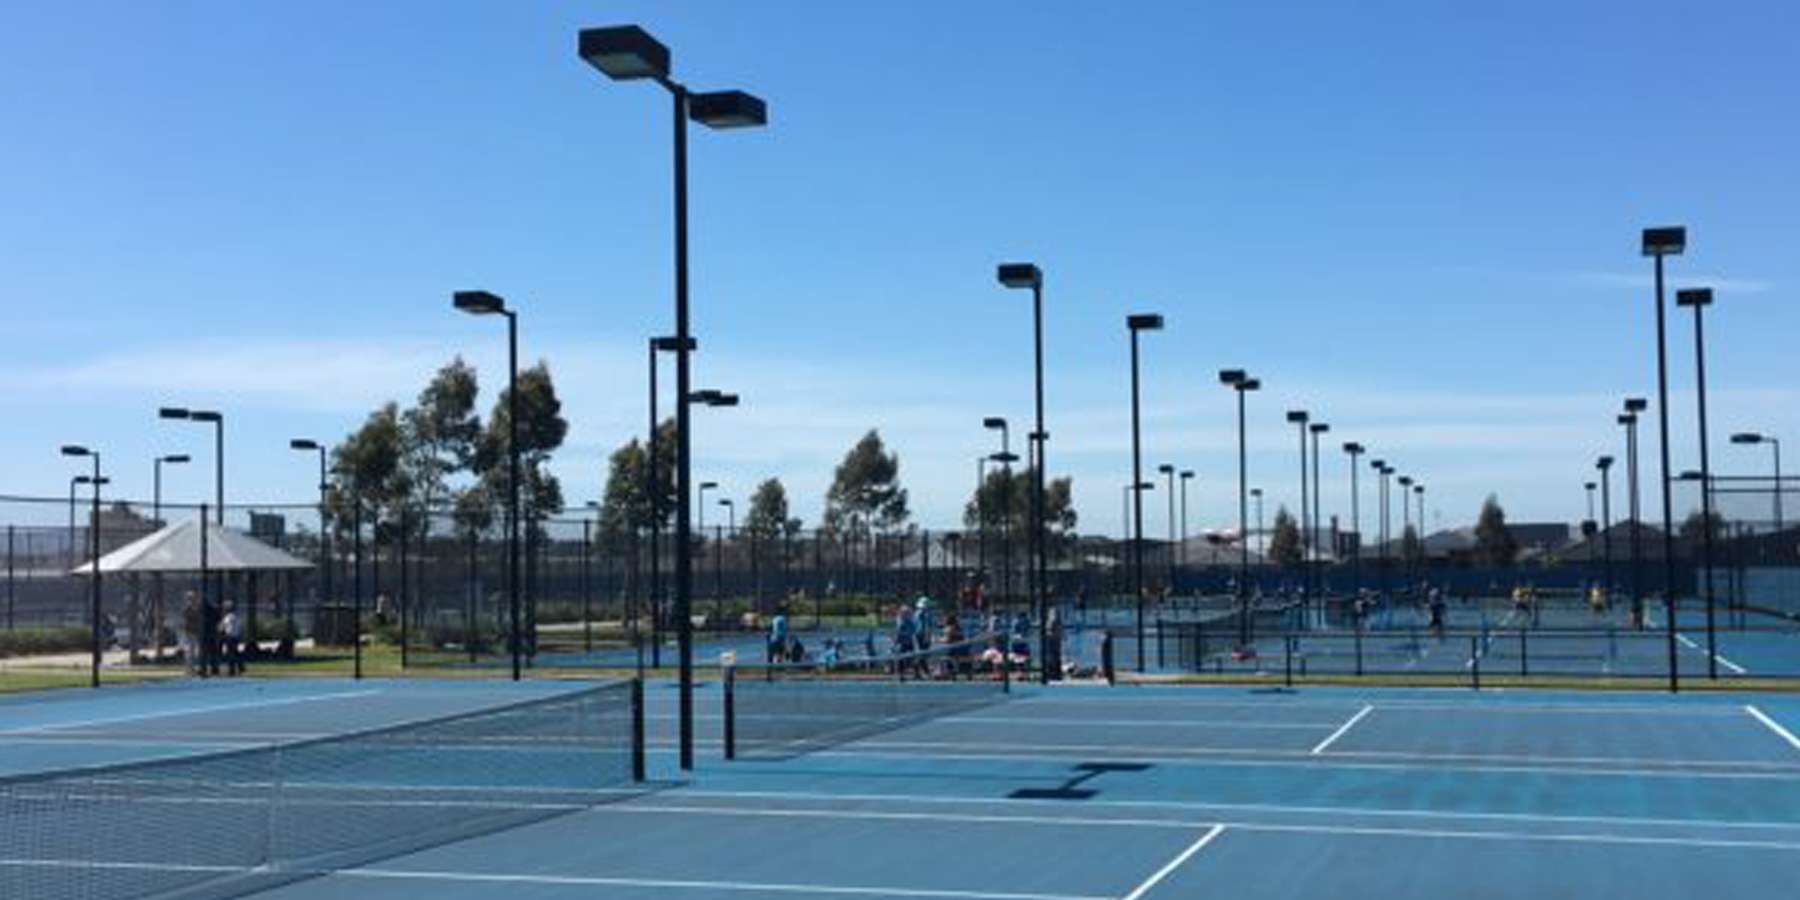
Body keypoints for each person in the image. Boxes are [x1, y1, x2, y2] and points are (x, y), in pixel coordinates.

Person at [219, 601, 244, 676]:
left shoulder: (227, 617)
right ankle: (240, 667)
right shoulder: (237, 617)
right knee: (235, 652)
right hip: (236, 637)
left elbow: (222, 627)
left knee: (230, 654)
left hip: (229, 636)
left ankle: (232, 670)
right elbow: (240, 628)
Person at [180, 591, 202, 673]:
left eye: (194, 598)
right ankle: (189, 668)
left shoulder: (198, 608)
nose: (193, 600)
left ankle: (197, 667)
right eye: (191, 598)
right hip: (189, 632)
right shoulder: (187, 609)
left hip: (197, 632)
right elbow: (185, 620)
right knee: (189, 650)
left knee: (197, 651)